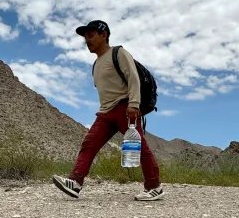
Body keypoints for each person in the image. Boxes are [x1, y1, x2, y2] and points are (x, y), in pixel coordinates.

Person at [52, 19, 164, 201]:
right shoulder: (96, 65)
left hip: (125, 108)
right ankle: (75, 182)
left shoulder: (118, 53)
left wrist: (134, 104)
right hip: (105, 112)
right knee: (89, 144)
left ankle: (154, 187)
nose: (87, 40)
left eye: (90, 35)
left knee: (138, 147)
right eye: (85, 37)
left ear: (103, 35)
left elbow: (133, 77)